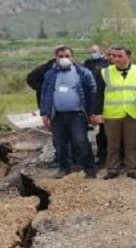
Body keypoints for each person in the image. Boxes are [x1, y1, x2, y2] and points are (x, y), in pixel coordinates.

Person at [92, 47, 136, 180]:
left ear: (129, 57)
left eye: (120, 56)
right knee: (112, 144)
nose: (116, 59)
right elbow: (99, 94)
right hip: (112, 114)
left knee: (131, 144)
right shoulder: (105, 72)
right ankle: (112, 169)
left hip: (133, 113)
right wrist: (97, 113)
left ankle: (132, 169)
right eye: (114, 56)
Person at [39, 46, 98, 179]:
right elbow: (45, 94)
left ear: (72, 57)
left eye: (67, 56)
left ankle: (89, 168)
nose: (64, 59)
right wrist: (45, 113)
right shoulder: (50, 74)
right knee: (60, 144)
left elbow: (92, 93)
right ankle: (64, 168)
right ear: (55, 58)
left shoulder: (83, 72)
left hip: (77, 115)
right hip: (57, 115)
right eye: (61, 56)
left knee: (81, 142)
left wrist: (92, 113)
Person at [84, 45, 110, 164]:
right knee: (102, 132)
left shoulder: (106, 65)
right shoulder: (87, 64)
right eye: (91, 52)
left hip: (113, 104)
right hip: (98, 99)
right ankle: (102, 155)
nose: (93, 53)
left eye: (95, 51)